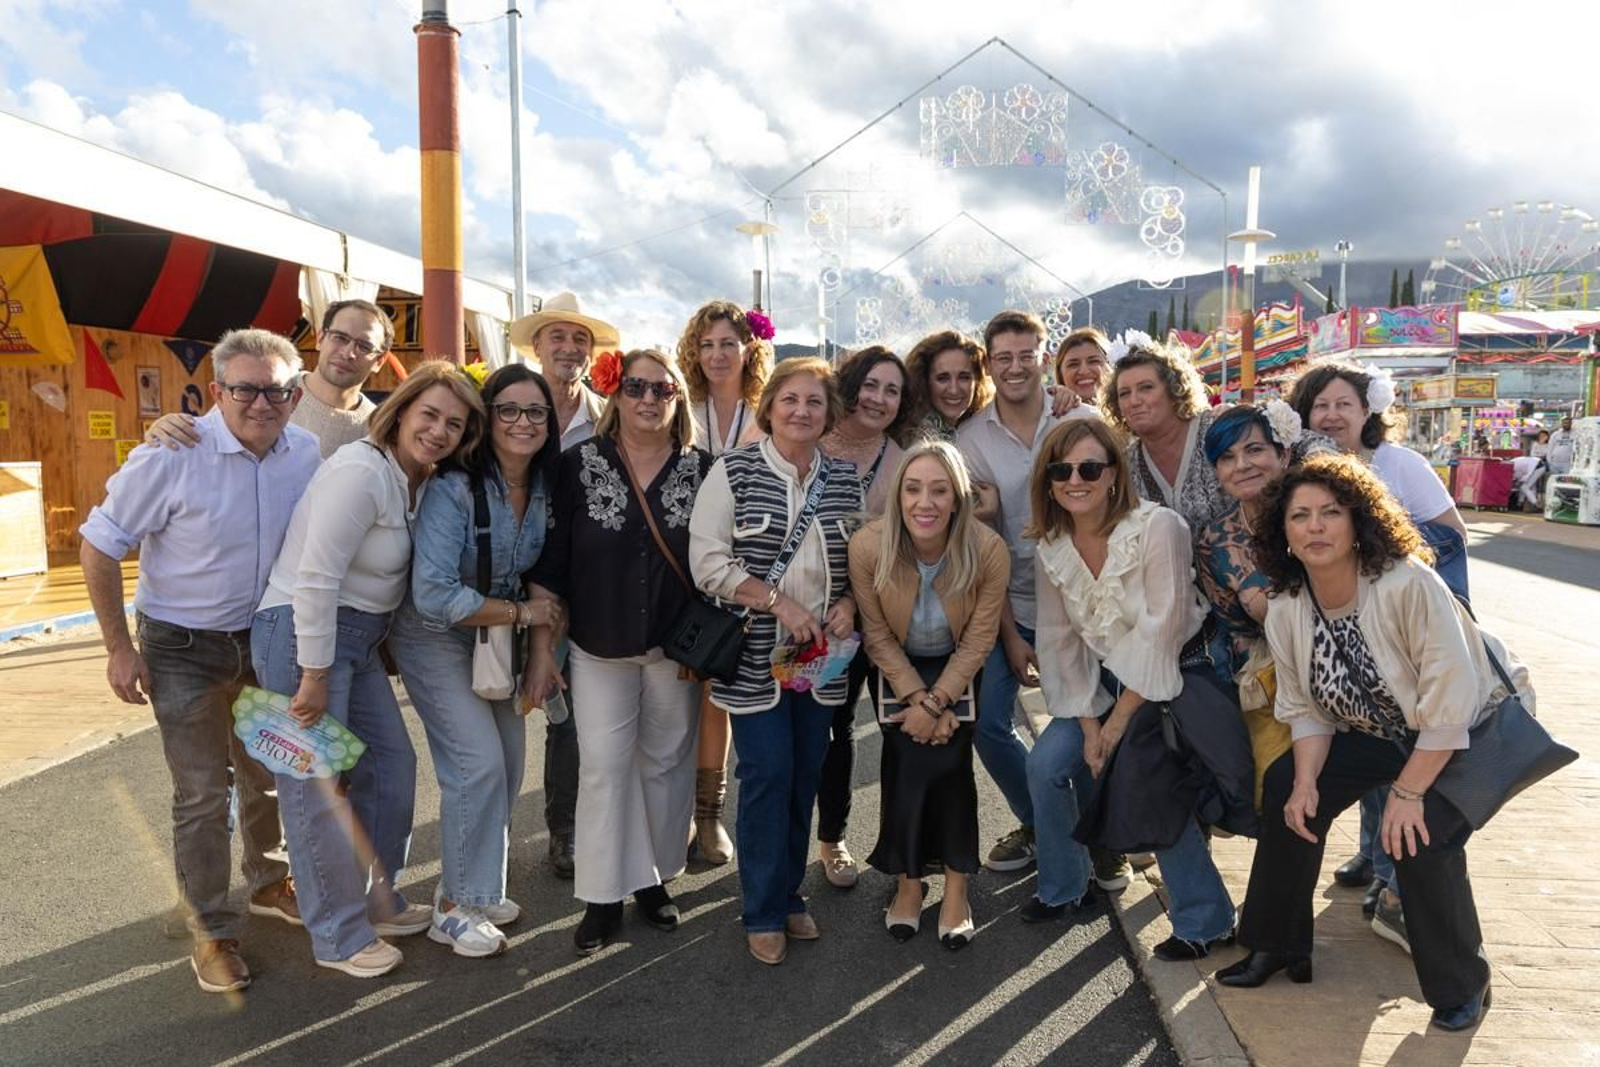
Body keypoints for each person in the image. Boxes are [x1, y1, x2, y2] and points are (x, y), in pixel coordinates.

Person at [1218, 454, 1530, 1033]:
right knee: (1290, 787)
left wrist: (1407, 794)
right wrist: (1309, 781)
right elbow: (1306, 709)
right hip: (1378, 730)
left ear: (1358, 520)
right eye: (1299, 515)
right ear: (1280, 531)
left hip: (1459, 731)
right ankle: (1278, 944)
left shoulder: (1407, 583)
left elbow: (1451, 705)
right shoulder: (1288, 607)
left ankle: (1463, 982)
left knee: (1419, 836)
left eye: (1330, 513)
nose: (1314, 527)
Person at [79, 329, 320, 995]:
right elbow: (99, 547)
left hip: (265, 641)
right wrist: (118, 648)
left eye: (275, 389)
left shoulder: (307, 452)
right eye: (244, 387)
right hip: (181, 645)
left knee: (267, 771)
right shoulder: (170, 454)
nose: (260, 402)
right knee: (203, 793)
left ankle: (269, 882)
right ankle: (211, 928)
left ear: (295, 394)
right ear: (217, 392)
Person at [252, 361, 485, 978]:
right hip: (302, 636)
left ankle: (374, 898)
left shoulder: (414, 480)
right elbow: (316, 578)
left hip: (355, 641)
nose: (438, 431)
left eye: (453, 425)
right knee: (315, 786)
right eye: (429, 414)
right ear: (402, 409)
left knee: (391, 765)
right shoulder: (361, 469)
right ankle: (336, 933)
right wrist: (314, 673)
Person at [1027, 418, 1241, 956]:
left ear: (1114, 474)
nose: (1076, 479)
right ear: (1049, 480)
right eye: (1062, 469)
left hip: (1180, 671)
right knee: (1047, 766)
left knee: (1145, 774)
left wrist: (1115, 727)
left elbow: (1161, 630)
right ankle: (1065, 888)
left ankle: (1206, 919)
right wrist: (1088, 724)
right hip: (1103, 679)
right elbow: (1059, 642)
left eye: (1090, 467)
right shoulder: (1051, 547)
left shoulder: (1157, 527)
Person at [529, 349, 711, 956]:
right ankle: (603, 896)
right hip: (598, 646)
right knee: (605, 767)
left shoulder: (703, 470)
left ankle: (653, 880)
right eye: (636, 387)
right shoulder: (579, 465)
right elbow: (551, 560)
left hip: (672, 648)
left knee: (665, 765)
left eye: (662, 390)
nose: (648, 399)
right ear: (616, 393)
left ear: (679, 398)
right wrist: (543, 647)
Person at [689, 357, 863, 965]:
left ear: (829, 414)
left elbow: (861, 563)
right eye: (790, 399)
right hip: (755, 661)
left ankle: (789, 895)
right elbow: (707, 563)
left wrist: (847, 602)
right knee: (766, 774)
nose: (801, 411)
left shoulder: (843, 479)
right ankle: (761, 908)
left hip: (820, 662)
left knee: (804, 776)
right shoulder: (732, 472)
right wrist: (777, 602)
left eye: (814, 402)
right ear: (769, 408)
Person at [386, 363, 563, 958]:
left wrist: (540, 652)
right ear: (488, 420)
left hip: (498, 641)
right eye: (508, 409)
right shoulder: (453, 488)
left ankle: (479, 888)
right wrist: (518, 618)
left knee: (510, 765)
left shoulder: (544, 487)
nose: (522, 421)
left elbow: (545, 579)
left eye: (535, 411)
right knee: (476, 763)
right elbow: (433, 593)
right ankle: (454, 906)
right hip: (435, 635)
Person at [1287, 359, 1469, 922]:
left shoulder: (1399, 463)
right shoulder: (1306, 468)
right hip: (1341, 632)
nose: (1332, 414)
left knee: (1406, 753)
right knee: (1367, 737)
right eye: (1320, 405)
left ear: (1369, 410)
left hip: (1406, 631)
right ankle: (1372, 854)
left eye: (1344, 403)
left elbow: (1452, 535)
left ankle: (1394, 880)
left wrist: (1388, 555)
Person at [850, 442, 1009, 949]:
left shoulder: (987, 550)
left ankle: (959, 887)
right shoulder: (868, 546)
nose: (926, 502)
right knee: (904, 759)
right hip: (898, 662)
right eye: (914, 489)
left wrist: (939, 702)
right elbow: (875, 635)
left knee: (952, 761)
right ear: (897, 496)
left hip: (958, 660)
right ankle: (909, 883)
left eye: (940, 490)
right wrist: (916, 698)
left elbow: (981, 638)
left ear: (958, 499)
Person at [955, 310, 1095, 876]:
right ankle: (1043, 821)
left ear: (1044, 357)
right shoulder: (970, 438)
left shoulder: (1081, 417)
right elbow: (983, 541)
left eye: (1026, 354)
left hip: (1082, 603)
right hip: (1005, 598)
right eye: (1003, 357)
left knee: (1085, 717)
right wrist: (1011, 636)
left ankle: (1093, 830)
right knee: (988, 723)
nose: (1015, 367)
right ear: (989, 363)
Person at [506, 290, 623, 879]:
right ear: (537, 344)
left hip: (576, 589)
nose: (570, 348)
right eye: (558, 336)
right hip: (503, 584)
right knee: (496, 715)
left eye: (580, 339)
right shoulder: (506, 404)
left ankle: (566, 832)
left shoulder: (607, 417)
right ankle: (486, 846)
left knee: (568, 716)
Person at [673, 300, 770, 867]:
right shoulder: (678, 405)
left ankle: (708, 817)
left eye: (727, 344)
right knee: (671, 696)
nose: (716, 355)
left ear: (748, 348)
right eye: (706, 344)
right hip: (675, 562)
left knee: (716, 697)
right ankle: (675, 812)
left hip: (741, 571)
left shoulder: (767, 409)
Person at [813, 345, 911, 889]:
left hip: (886, 615)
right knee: (835, 728)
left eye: (892, 390)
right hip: (824, 621)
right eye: (871, 385)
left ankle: (904, 851)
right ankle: (833, 839)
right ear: (850, 385)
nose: (878, 398)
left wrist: (859, 598)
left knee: (899, 730)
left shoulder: (899, 460)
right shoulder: (812, 441)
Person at [141, 299, 391, 456]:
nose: (348, 352)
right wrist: (165, 429)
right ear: (320, 338)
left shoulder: (379, 428)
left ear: (380, 360)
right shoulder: (265, 391)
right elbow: (201, 440)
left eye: (364, 346)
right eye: (340, 337)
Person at [1106, 331, 1231, 534]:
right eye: (1124, 394)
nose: (1134, 401)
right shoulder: (1126, 464)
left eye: (1146, 388)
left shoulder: (1215, 430)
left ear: (1174, 390)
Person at [904, 329, 993, 443]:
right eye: (943, 378)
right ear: (924, 381)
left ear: (977, 381)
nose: (954, 390)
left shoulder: (987, 429)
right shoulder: (911, 440)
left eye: (964, 377)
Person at [1051, 326, 1114, 408]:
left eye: (1093, 361)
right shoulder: (1047, 414)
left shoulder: (1127, 412)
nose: (1084, 371)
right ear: (1060, 372)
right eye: (1073, 364)